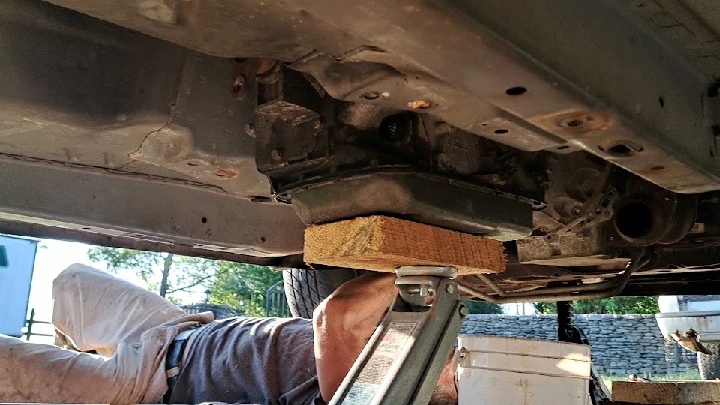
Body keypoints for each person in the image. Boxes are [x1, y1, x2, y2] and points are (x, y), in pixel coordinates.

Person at [0, 263, 458, 404]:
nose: (460, 362)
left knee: (10, 367)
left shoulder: (369, 392)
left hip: (143, 383)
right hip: (182, 328)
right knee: (70, 282)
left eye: (459, 374)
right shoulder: (406, 364)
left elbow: (334, 314)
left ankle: (85, 359)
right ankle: (77, 341)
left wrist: (429, 268)